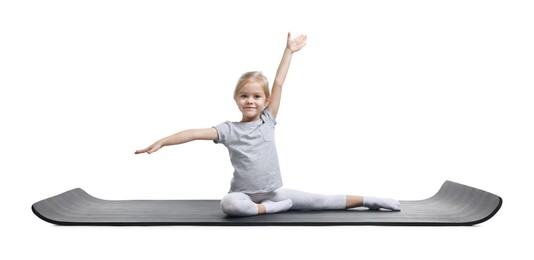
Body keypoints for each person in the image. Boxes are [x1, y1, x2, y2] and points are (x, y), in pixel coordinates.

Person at [135, 32, 400, 216]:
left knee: (320, 200)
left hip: (274, 192)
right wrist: (161, 142)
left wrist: (289, 51)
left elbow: (279, 82)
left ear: (266, 101)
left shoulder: (268, 119)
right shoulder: (228, 130)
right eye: (244, 96)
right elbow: (193, 133)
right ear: (236, 99)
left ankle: (371, 200)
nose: (250, 101)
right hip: (246, 197)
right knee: (228, 205)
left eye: (256, 96)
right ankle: (268, 210)